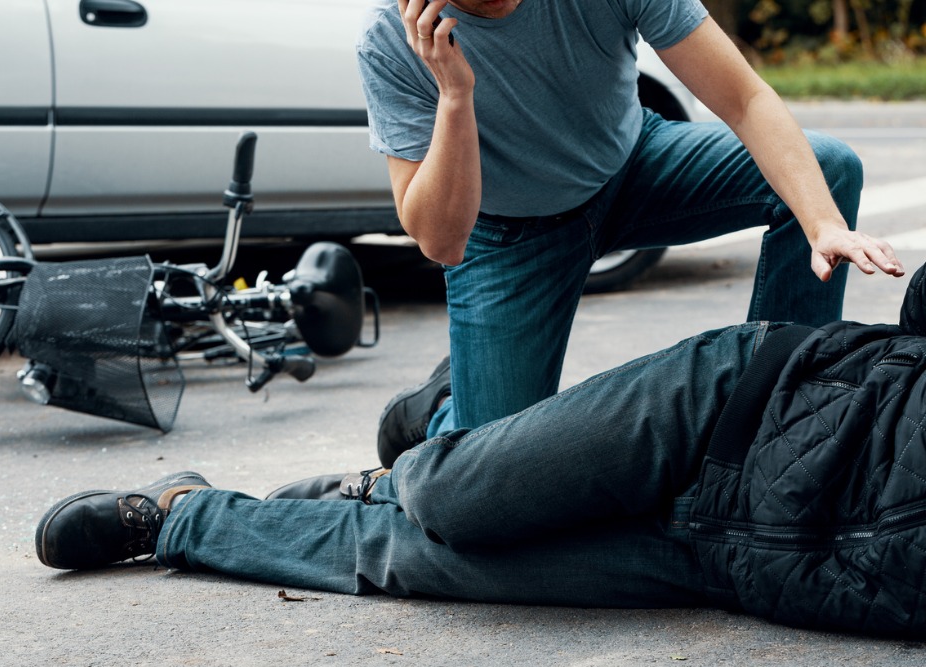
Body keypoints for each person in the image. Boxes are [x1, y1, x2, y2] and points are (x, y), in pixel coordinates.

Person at [36, 263, 926, 639]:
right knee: (451, 498)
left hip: (738, 556)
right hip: (742, 405)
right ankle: (436, 426)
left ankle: (183, 518)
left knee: (418, 557)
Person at [359, 0, 905, 466]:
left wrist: (822, 223)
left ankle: (779, 427)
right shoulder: (388, 39)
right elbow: (442, 242)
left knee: (827, 167)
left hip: (634, 165)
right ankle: (441, 405)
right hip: (510, 232)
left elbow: (745, 99)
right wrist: (455, 94)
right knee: (487, 475)